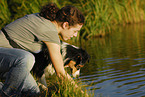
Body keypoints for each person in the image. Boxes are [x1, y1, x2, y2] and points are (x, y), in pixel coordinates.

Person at [0, 3, 85, 97]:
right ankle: (6, 95)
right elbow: (60, 73)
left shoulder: (49, 22)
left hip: (8, 60)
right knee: (27, 58)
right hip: (4, 55)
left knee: (33, 92)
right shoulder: (49, 31)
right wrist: (81, 93)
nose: (75, 35)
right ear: (65, 25)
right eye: (75, 31)